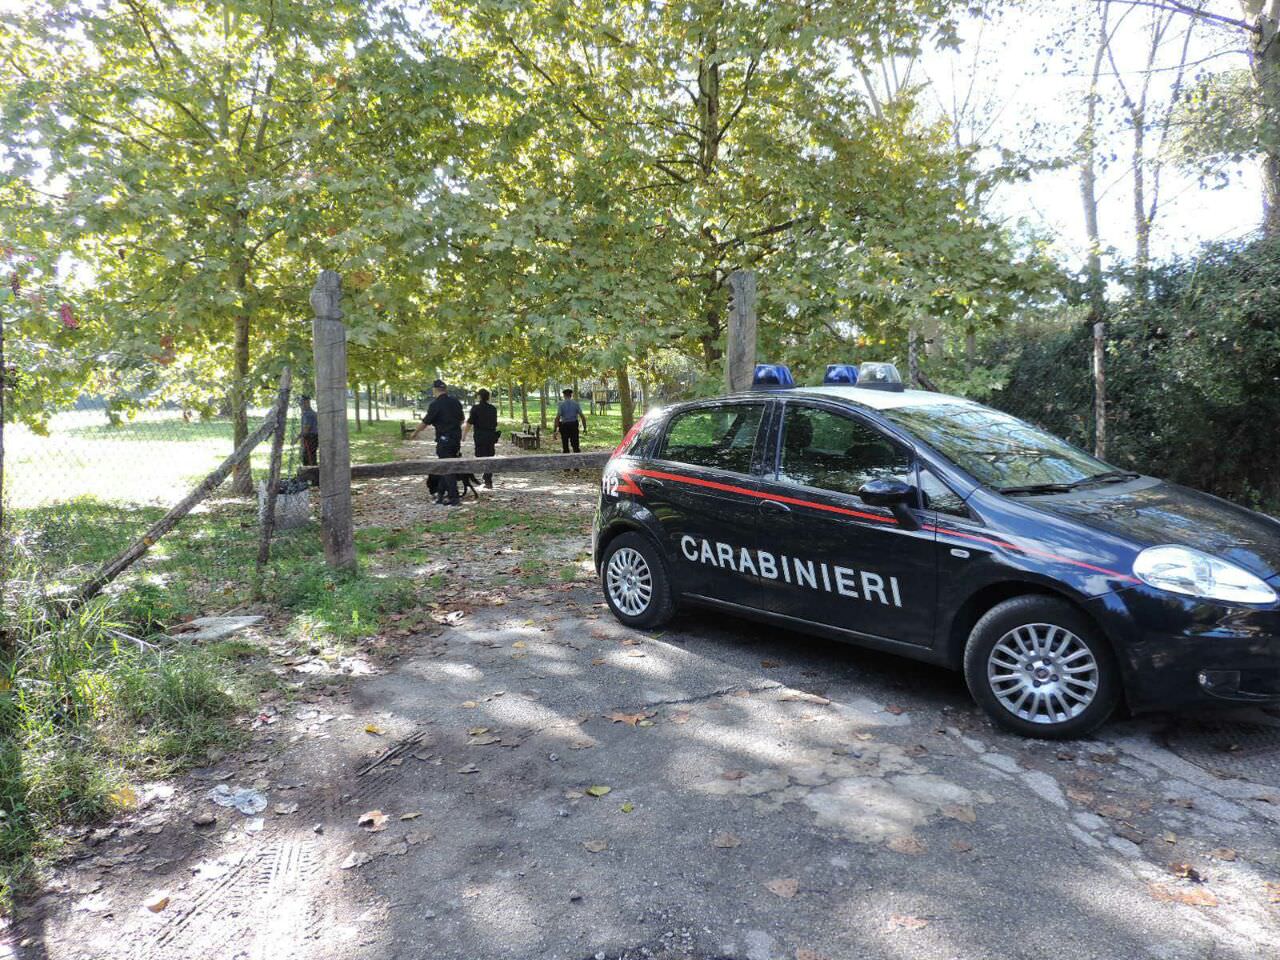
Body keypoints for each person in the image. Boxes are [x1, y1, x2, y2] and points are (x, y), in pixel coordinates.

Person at [410, 378, 465, 506]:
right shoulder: (456, 402)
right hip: (455, 439)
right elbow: (462, 420)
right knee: (447, 465)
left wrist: (415, 433)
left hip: (444, 440)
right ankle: (440, 494)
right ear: (445, 389)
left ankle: (454, 498)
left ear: (435, 390)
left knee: (446, 467)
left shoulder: (435, 405)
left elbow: (425, 422)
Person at [463, 387, 500, 488]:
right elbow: (495, 423)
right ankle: (488, 479)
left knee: (480, 456)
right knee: (490, 456)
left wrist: (464, 435)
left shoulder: (475, 408)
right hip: (491, 436)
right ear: (488, 397)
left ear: (479, 397)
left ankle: (484, 477)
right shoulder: (493, 409)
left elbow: (470, 423)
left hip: (480, 436)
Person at [553, 387, 587, 454]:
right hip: (573, 425)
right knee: (575, 445)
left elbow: (557, 418)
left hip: (564, 426)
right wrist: (585, 428)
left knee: (565, 445)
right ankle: (577, 459)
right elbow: (582, 416)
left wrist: (555, 430)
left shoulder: (561, 404)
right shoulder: (576, 404)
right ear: (571, 395)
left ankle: (566, 459)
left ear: (564, 395)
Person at [299, 394, 319, 473]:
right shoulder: (307, 413)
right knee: (309, 457)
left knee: (309, 459)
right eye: (300, 403)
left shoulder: (308, 414)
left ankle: (312, 477)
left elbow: (306, 429)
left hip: (310, 438)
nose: (301, 405)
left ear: (307, 402)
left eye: (302, 403)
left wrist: (297, 438)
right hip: (311, 438)